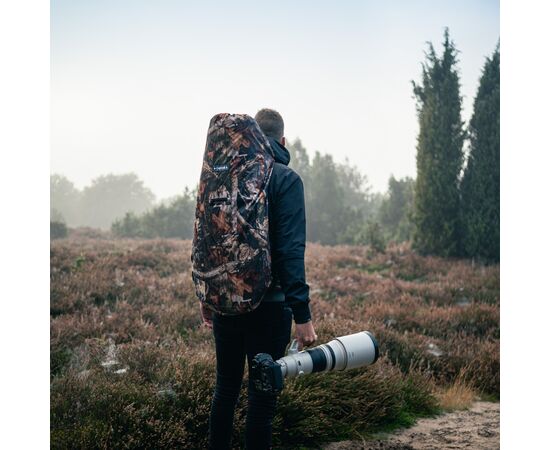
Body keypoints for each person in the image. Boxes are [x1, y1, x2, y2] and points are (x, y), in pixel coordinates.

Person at [200, 108, 317, 449]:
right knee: (261, 402)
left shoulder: (222, 177)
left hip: (227, 303)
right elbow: (290, 251)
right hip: (270, 306)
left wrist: (207, 296)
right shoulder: (285, 179)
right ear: (283, 141)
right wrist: (303, 315)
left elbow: (206, 238)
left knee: (225, 390)